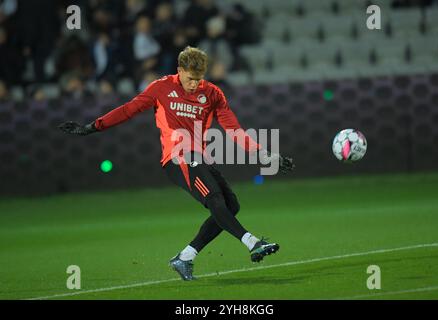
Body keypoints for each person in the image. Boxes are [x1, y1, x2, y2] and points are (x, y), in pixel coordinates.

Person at [58, 46, 294, 281]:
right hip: (177, 157)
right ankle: (252, 243)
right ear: (179, 70)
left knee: (231, 206)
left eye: (199, 79)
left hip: (200, 157)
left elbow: (234, 129)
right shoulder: (161, 88)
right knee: (214, 198)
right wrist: (92, 127)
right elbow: (129, 109)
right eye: (190, 79)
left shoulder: (212, 93)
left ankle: (185, 257)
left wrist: (263, 154)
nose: (194, 84)